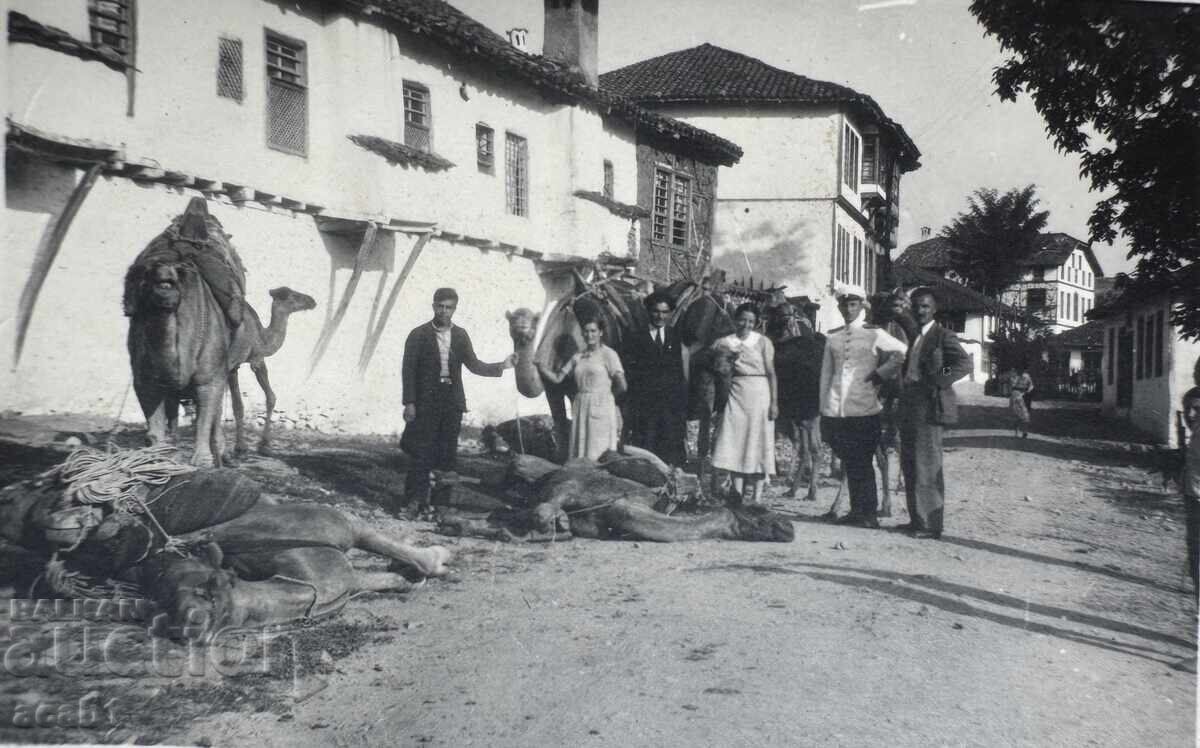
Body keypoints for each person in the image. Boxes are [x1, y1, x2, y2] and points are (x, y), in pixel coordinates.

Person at [400, 288, 514, 513]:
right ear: (433, 306)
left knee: (447, 455)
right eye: (440, 306)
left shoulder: (460, 335)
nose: (444, 311)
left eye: (449, 307)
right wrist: (409, 403)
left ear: (455, 309)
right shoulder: (418, 334)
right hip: (425, 402)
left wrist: (502, 365)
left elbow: (474, 364)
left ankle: (441, 505)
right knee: (421, 453)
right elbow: (408, 370)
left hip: (451, 402)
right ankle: (414, 502)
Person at [819, 283, 907, 528]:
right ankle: (857, 511)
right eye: (844, 305)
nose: (848, 309)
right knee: (849, 459)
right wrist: (824, 405)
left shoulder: (874, 333)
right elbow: (826, 374)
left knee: (863, 460)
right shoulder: (833, 336)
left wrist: (881, 374)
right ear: (839, 307)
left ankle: (868, 514)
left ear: (861, 306)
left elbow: (902, 352)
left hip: (865, 406)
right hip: (837, 407)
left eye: (853, 304)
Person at [898, 287, 972, 539]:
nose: (920, 311)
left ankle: (930, 525)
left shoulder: (943, 335)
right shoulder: (915, 336)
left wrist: (937, 379)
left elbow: (963, 363)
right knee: (910, 463)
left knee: (927, 465)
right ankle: (916, 520)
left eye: (925, 306)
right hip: (910, 402)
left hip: (929, 405)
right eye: (916, 306)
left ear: (934, 309)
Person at [711, 303, 778, 504]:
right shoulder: (725, 342)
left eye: (750, 321)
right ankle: (737, 496)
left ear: (756, 323)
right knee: (736, 442)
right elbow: (717, 369)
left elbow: (771, 373)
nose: (746, 325)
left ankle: (756, 498)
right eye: (742, 320)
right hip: (736, 393)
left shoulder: (763, 342)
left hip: (760, 394)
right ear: (735, 319)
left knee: (759, 442)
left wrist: (774, 403)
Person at [538, 317, 627, 461]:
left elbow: (622, 385)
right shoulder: (578, 357)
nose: (589, 335)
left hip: (602, 407)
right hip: (581, 406)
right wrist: (540, 367)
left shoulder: (609, 354)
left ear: (600, 333)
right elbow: (557, 379)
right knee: (580, 451)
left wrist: (607, 399)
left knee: (598, 450)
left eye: (593, 331)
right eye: (586, 331)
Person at [623, 291, 687, 466]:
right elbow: (630, 373)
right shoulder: (635, 336)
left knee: (669, 448)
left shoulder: (674, 335)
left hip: (669, 405)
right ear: (649, 312)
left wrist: (680, 404)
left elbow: (678, 372)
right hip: (645, 405)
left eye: (665, 312)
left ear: (670, 313)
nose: (660, 316)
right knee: (646, 448)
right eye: (656, 311)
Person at [769, 301, 825, 500]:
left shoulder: (796, 343)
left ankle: (811, 488)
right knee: (805, 443)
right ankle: (802, 488)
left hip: (805, 393)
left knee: (810, 443)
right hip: (797, 393)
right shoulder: (794, 340)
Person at [1008, 364, 1034, 438]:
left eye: (1022, 369)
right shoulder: (1013, 376)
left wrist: (1028, 391)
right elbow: (1012, 387)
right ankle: (1016, 432)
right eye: (1019, 369)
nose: (1021, 371)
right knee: (1017, 415)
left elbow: (1031, 386)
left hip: (1025, 396)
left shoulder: (1027, 376)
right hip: (1016, 396)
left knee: (1026, 415)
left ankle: (1025, 431)